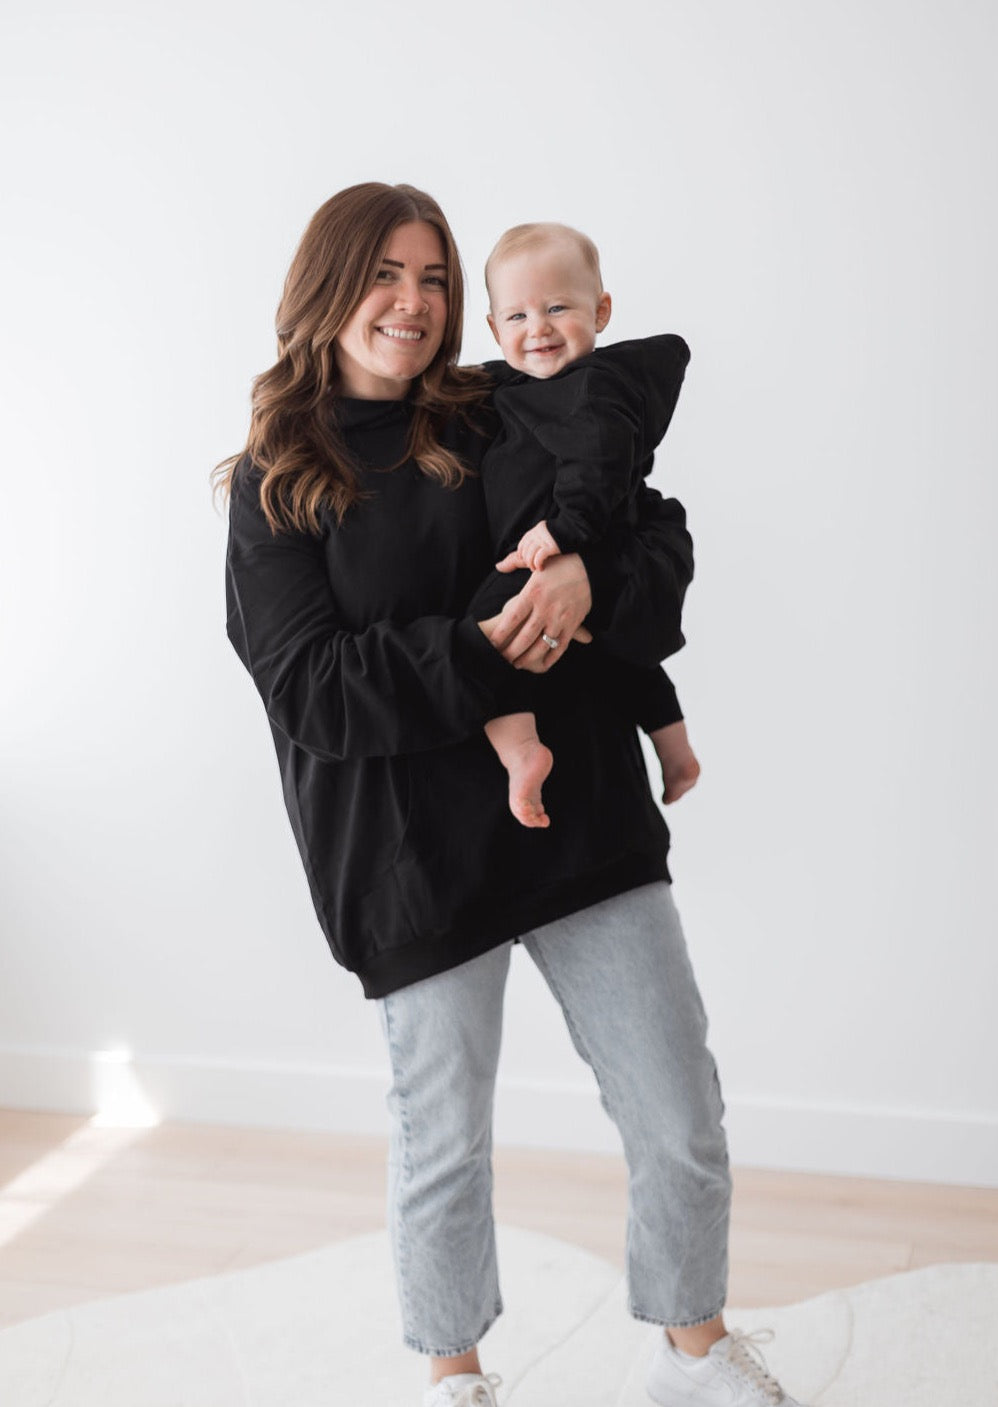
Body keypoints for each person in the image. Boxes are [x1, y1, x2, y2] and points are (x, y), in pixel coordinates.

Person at [217, 182, 805, 1407]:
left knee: (678, 1111)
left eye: (434, 278)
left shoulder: (496, 407)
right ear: (327, 287)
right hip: (411, 859)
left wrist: (586, 573)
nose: (414, 303)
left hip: (581, 817)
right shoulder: (277, 481)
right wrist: (484, 653)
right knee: (443, 1143)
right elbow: (311, 688)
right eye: (385, 275)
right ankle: (455, 1378)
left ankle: (690, 1356)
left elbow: (657, 530)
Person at [476, 221, 702, 828]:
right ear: (494, 330)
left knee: (492, 634)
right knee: (627, 661)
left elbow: (598, 463)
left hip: (557, 546)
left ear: (601, 311)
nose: (538, 328)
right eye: (517, 316)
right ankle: (676, 752)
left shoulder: (593, 391)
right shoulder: (521, 388)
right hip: (584, 548)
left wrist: (563, 531)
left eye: (557, 308)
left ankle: (522, 752)